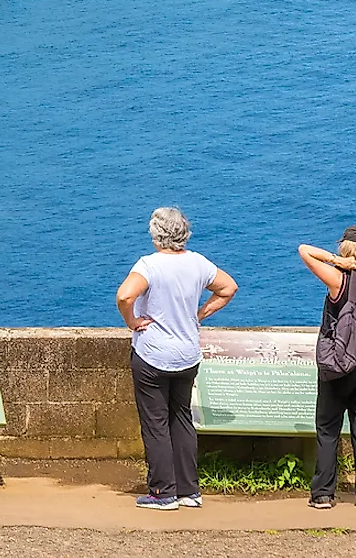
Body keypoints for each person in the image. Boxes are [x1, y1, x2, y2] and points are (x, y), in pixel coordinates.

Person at [116, 207, 238, 510]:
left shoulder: (149, 265)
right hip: (187, 354)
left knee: (155, 423)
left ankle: (162, 492)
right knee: (181, 418)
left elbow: (124, 296)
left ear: (157, 235)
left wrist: (131, 321)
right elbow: (228, 287)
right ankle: (188, 490)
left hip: (153, 354)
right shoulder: (198, 263)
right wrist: (198, 315)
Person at [299, 224, 356, 509]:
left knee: (328, 427)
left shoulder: (340, 280)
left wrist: (337, 262)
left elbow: (304, 251)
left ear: (347, 249)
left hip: (340, 364)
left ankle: (323, 494)